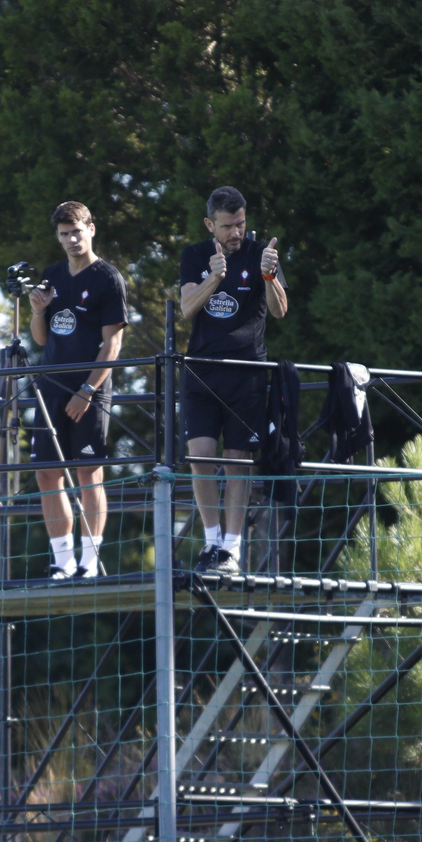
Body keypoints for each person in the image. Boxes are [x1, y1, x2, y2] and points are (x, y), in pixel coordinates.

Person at [178, 186, 288, 574]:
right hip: (202, 373)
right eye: (227, 226)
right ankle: (210, 544)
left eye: (240, 223)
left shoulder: (262, 254)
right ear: (211, 224)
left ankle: (232, 549)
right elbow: (187, 308)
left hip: (248, 375)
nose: (236, 232)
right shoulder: (194, 256)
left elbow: (279, 311)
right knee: (200, 457)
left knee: (238, 460)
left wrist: (270, 276)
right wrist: (214, 277)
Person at [27, 201, 127, 580]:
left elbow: (112, 345)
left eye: (77, 231)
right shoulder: (52, 275)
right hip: (51, 386)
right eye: (64, 234)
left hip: (90, 390)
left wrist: (86, 390)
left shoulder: (108, 278)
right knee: (47, 474)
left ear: (91, 228)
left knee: (89, 473)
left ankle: (89, 562)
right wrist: (38, 310)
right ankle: (62, 561)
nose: (71, 239)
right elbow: (42, 337)